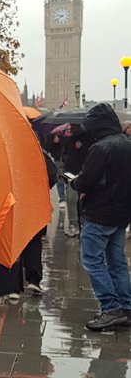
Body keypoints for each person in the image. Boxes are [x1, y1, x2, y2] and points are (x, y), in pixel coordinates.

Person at [69, 103, 131, 331]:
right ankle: (126, 307)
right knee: (116, 262)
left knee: (92, 260)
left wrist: (74, 181)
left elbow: (86, 182)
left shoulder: (101, 148)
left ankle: (110, 308)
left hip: (100, 213)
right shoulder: (127, 144)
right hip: (121, 214)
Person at [18, 144, 58, 295]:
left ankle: (14, 284)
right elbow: (53, 174)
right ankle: (34, 280)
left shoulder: (9, 151)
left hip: (16, 201)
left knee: (15, 242)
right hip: (36, 203)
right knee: (34, 242)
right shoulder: (39, 152)